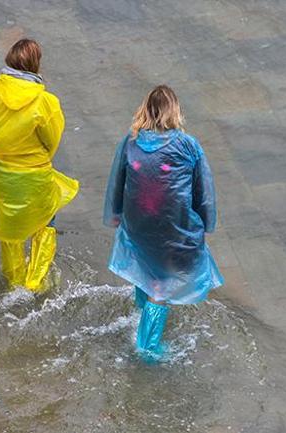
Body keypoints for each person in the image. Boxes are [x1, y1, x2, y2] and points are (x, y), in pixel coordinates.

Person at [103, 85, 224, 360]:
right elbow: (202, 190)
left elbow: (118, 181)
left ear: (145, 110)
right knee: (163, 284)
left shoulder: (131, 142)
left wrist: (115, 214)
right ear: (175, 112)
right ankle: (147, 349)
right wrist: (206, 224)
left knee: (145, 264)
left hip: (138, 224)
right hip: (172, 227)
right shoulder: (188, 145)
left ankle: (140, 310)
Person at [0, 39, 78, 293]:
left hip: (0, 176)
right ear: (36, 64)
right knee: (45, 222)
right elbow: (52, 141)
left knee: (10, 227)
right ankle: (36, 283)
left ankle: (13, 281)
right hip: (33, 176)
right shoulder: (46, 103)